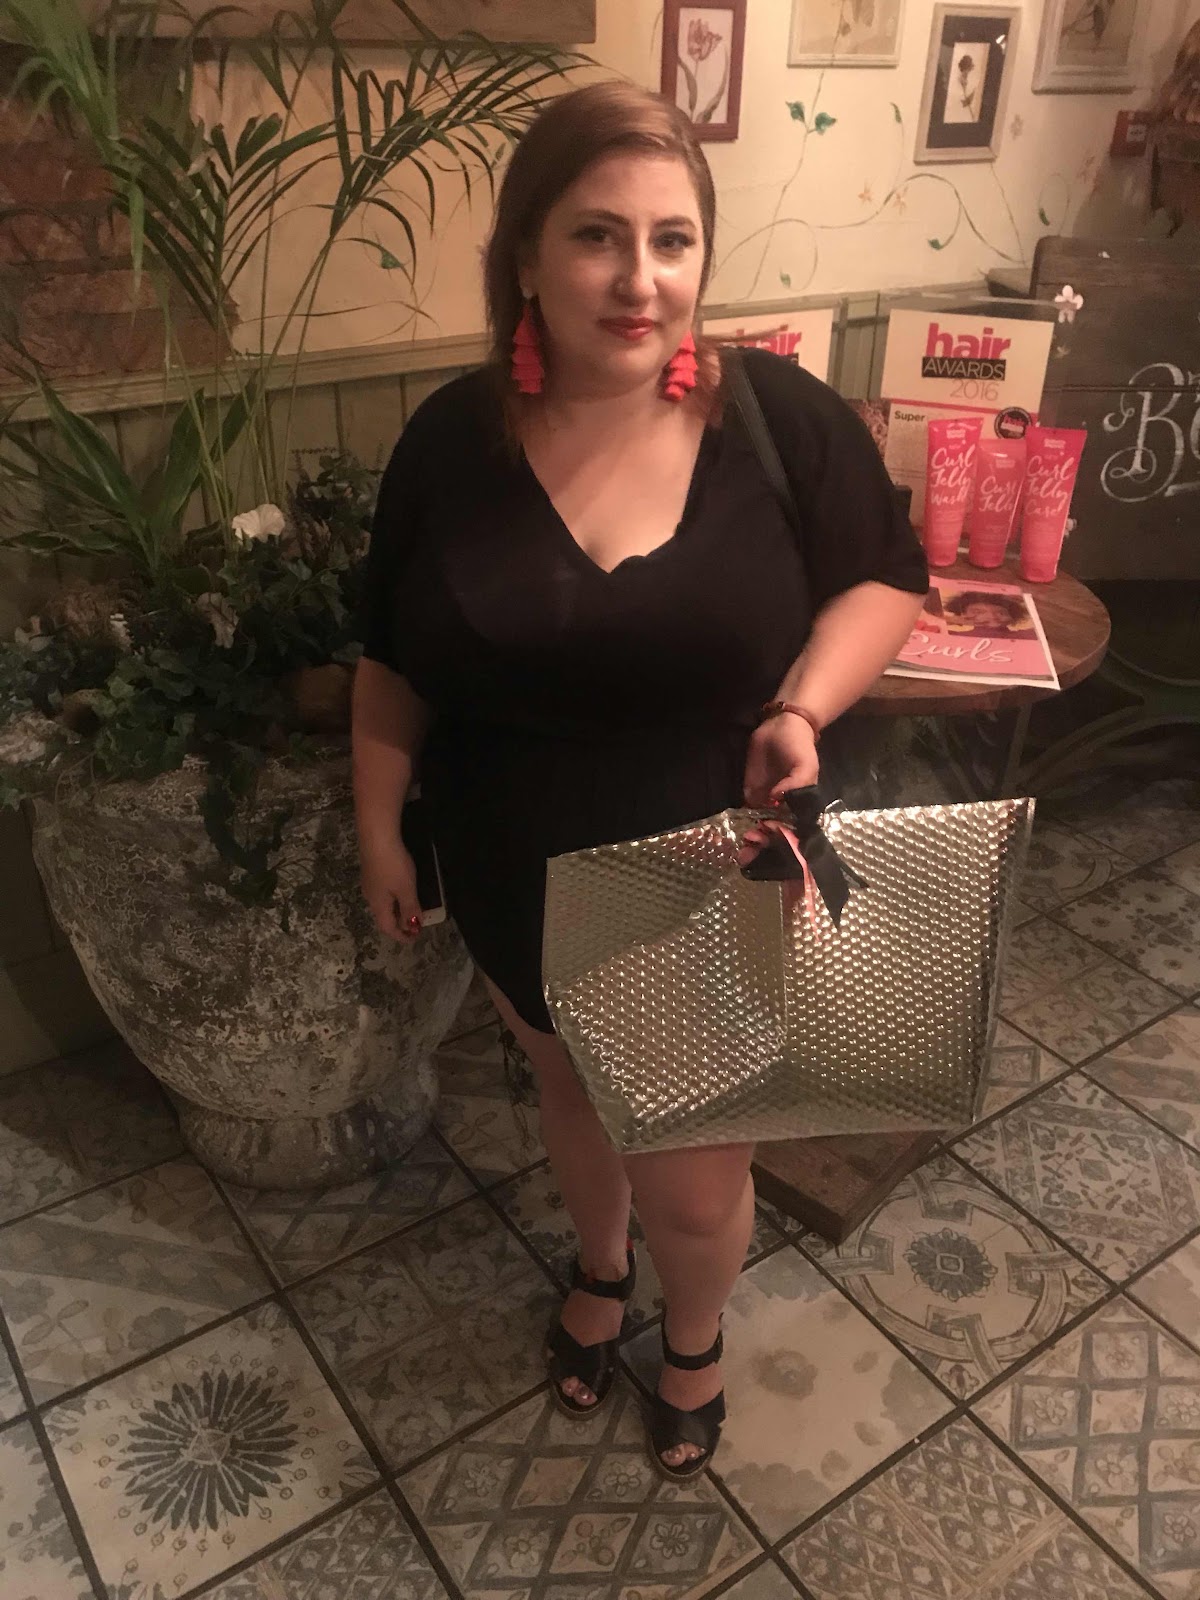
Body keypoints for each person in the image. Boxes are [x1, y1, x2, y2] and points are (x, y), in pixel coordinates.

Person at [351, 81, 928, 1480]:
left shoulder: (775, 419)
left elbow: (884, 579)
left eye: (673, 240)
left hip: (705, 881)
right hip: (512, 863)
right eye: (598, 235)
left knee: (697, 1177)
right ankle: (599, 1268)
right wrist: (379, 825)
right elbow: (394, 656)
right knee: (567, 1088)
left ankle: (696, 1336)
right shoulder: (451, 441)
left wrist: (801, 704)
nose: (640, 278)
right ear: (526, 256)